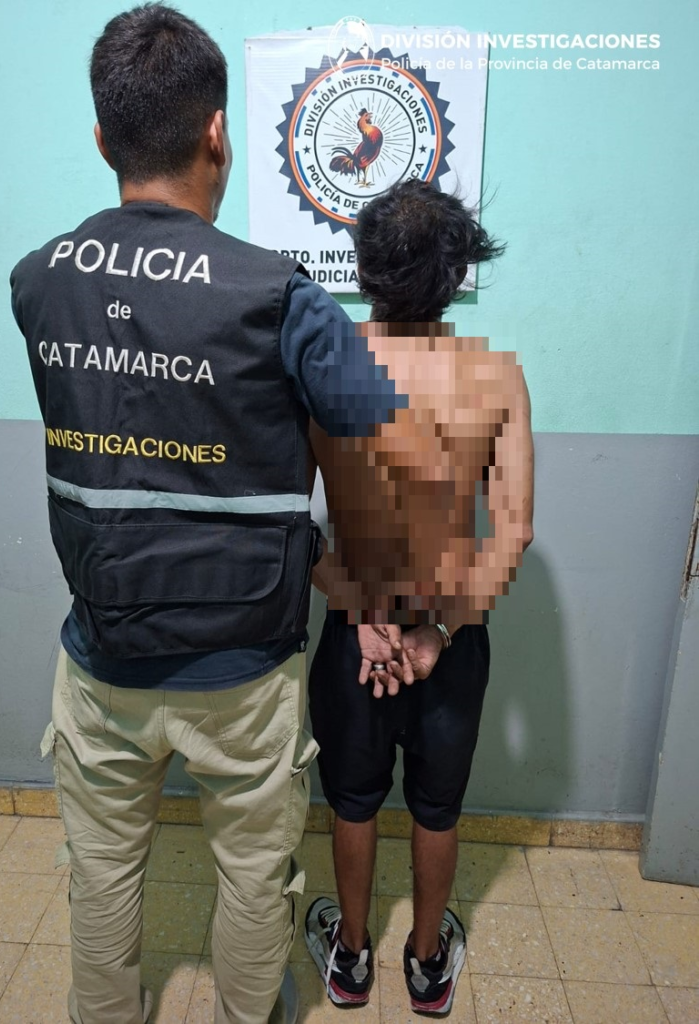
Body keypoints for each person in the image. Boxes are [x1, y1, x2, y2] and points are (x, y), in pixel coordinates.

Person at [9, 6, 409, 1023]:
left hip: (102, 657)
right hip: (245, 671)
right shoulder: (283, 297)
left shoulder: (39, 280)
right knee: (251, 877)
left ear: (103, 138)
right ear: (217, 133)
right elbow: (374, 441)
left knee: (100, 873)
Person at [304, 179, 535, 1015]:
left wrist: (366, 617)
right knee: (437, 808)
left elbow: (288, 522)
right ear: (458, 272)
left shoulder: (323, 371)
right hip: (450, 636)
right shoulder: (495, 378)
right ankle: (429, 964)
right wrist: (437, 630)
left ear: (364, 268)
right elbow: (514, 532)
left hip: (354, 635)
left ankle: (351, 958)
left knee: (353, 799)